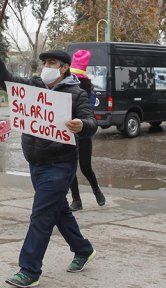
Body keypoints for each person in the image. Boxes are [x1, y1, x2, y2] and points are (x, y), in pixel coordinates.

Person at [0, 43, 97, 288]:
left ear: (65, 69)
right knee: (59, 211)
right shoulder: (35, 87)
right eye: (45, 63)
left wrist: (82, 125)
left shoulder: (76, 94)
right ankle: (83, 249)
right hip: (36, 163)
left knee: (42, 215)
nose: (47, 68)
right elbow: (8, 82)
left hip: (60, 165)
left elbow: (91, 122)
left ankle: (29, 269)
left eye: (52, 64)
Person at [67, 50, 106, 211]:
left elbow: (88, 114)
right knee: (70, 169)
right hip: (67, 135)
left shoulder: (88, 94)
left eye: (77, 80)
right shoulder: (64, 89)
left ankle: (96, 190)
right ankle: (76, 200)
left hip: (82, 135)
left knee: (85, 167)